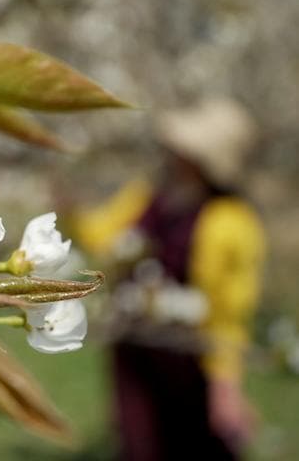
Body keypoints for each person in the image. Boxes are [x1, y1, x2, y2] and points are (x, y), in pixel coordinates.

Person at [72, 98, 266, 461]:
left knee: (192, 443)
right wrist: (69, 212)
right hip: (136, 345)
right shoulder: (150, 196)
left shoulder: (231, 222)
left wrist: (225, 384)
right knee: (140, 442)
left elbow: (229, 310)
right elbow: (104, 236)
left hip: (188, 358)